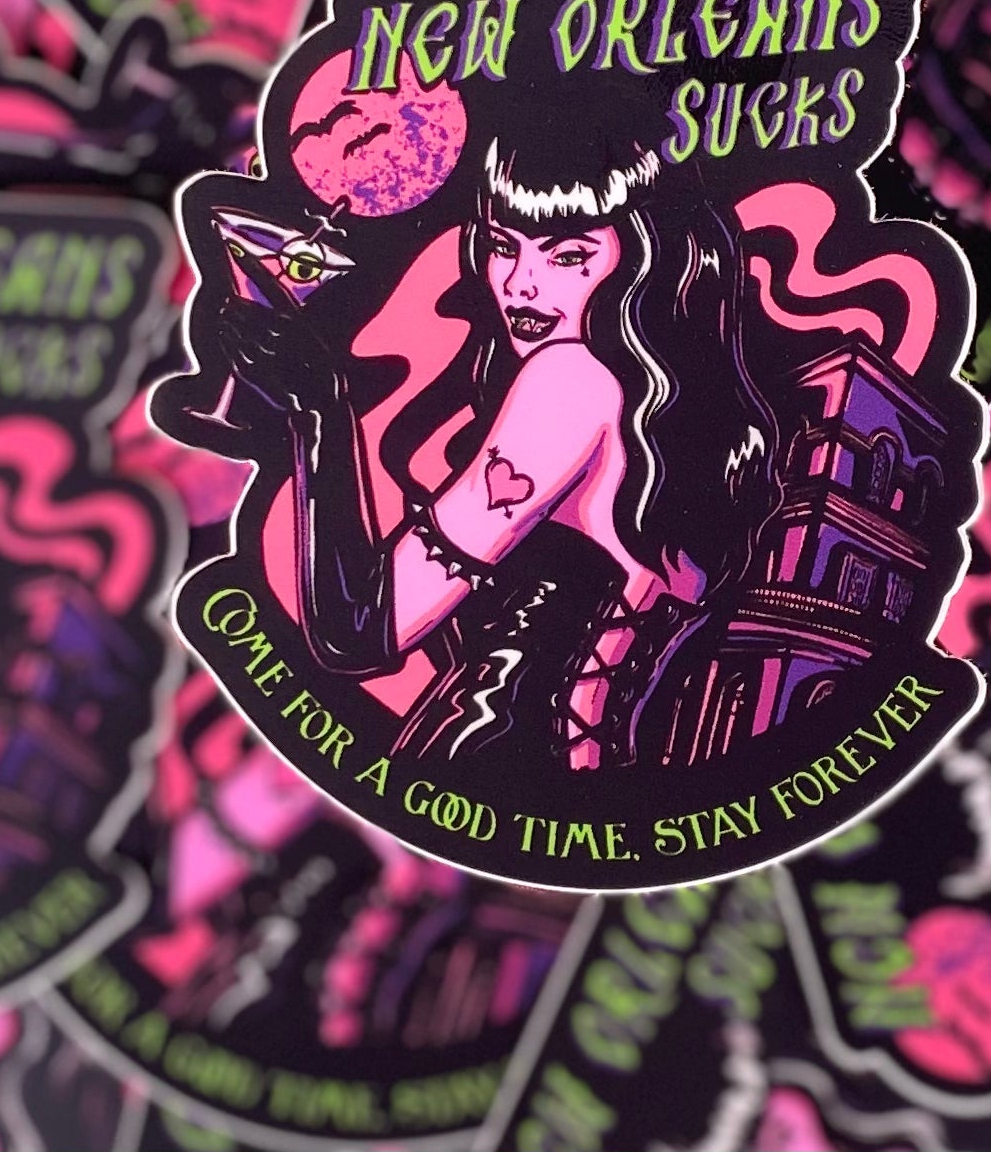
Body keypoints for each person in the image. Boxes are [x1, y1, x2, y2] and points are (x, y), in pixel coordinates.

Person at [219, 113, 782, 771]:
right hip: (578, 788)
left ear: (644, 255)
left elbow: (357, 631)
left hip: (485, 760)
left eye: (567, 255)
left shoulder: (570, 382)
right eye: (502, 245)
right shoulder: (690, 431)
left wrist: (319, 410)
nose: (519, 284)